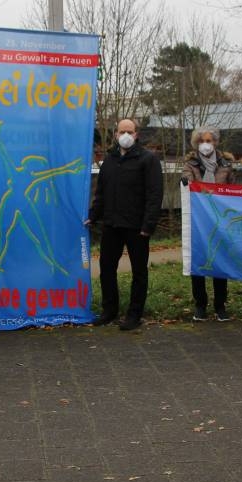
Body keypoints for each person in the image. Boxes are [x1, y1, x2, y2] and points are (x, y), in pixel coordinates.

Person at [86, 118, 163, 331]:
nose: (126, 135)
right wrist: (93, 215)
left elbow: (155, 195)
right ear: (116, 134)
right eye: (122, 131)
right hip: (111, 225)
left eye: (130, 131)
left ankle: (134, 314)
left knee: (139, 272)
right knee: (106, 269)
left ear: (137, 134)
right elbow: (101, 193)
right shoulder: (109, 160)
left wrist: (148, 225)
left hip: (137, 227)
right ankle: (109, 311)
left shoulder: (148, 160)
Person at [181, 126, 234, 322]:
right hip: (198, 221)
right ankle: (200, 304)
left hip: (220, 220)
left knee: (220, 261)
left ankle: (220, 305)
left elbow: (233, 190)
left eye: (209, 140)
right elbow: (187, 180)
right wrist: (186, 182)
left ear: (216, 142)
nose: (206, 144)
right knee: (199, 263)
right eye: (202, 141)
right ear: (196, 143)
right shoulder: (190, 163)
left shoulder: (226, 164)